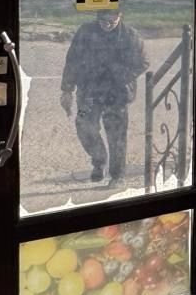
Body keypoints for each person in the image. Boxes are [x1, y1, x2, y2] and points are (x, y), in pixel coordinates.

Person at [60, 11, 148, 184]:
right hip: (88, 91)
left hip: (116, 93)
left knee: (116, 135)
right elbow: (72, 60)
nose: (106, 24)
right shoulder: (85, 32)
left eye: (111, 21)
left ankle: (117, 176)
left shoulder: (130, 36)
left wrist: (120, 75)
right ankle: (99, 161)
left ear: (120, 15)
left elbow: (143, 62)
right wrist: (66, 90)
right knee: (84, 126)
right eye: (102, 20)